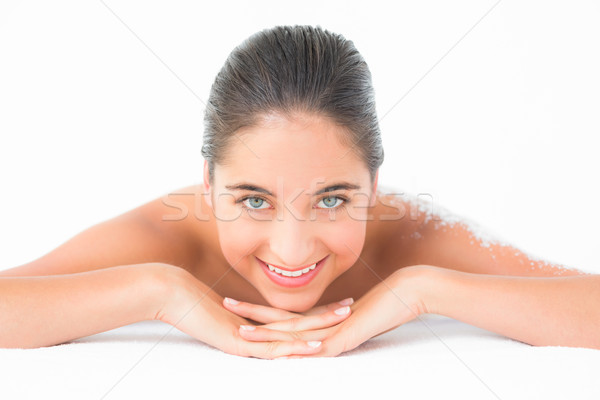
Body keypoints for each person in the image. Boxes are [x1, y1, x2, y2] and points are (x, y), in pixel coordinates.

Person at [0, 25, 597, 358]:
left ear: (373, 188)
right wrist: (157, 291)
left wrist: (424, 289)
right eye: (253, 199)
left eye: (333, 199)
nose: (291, 252)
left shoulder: (407, 236)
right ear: (207, 186)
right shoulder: (162, 239)